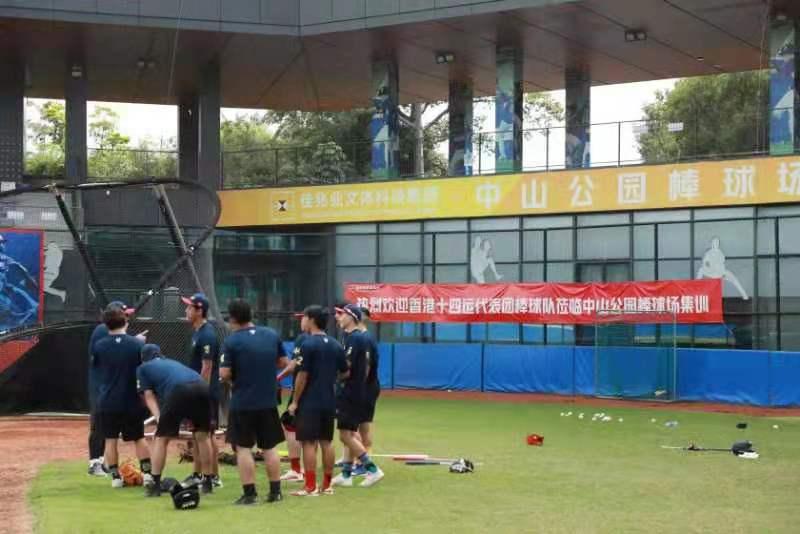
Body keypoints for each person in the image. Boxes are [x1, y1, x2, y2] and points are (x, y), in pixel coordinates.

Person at [220, 299, 289, 505]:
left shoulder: (231, 341)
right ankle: (275, 492)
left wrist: (235, 379)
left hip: (243, 402)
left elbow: (224, 373)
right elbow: (283, 362)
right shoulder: (270, 334)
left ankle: (250, 494)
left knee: (243, 448)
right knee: (269, 447)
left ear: (232, 318)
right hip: (268, 400)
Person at [137, 344, 214, 497]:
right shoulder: (172, 362)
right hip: (202, 387)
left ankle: (155, 485)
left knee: (161, 439)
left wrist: (158, 417)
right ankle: (207, 483)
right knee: (202, 437)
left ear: (143, 359)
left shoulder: (143, 368)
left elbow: (149, 396)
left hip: (179, 390)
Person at [287, 305, 348, 497]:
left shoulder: (307, 344)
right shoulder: (336, 344)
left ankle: (310, 486)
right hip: (329, 400)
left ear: (311, 319)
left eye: (304, 317)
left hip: (310, 402)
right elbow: (345, 371)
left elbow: (302, 376)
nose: (302, 321)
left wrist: (295, 401)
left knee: (308, 443)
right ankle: (327, 485)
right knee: (326, 442)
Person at [91, 302, 152, 488]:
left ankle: (116, 478)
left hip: (108, 400)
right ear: (125, 321)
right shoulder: (137, 345)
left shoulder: (99, 346)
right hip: (131, 400)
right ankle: (148, 474)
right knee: (138, 438)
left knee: (110, 439)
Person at [331, 304, 384, 488]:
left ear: (352, 317)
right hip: (354, 391)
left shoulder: (357, 339)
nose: (338, 318)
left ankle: (371, 468)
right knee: (348, 432)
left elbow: (348, 370)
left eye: (342, 314)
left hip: (352, 392)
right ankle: (346, 474)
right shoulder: (351, 337)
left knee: (347, 435)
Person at [87, 301, 138, 477]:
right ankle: (95, 463)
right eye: (125, 313)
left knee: (104, 427)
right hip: (102, 384)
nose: (128, 316)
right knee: (99, 425)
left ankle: (102, 462)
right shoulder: (103, 330)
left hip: (106, 383)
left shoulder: (110, 331)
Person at [181, 293, 222, 488]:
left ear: (199, 310)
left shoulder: (207, 334)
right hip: (199, 391)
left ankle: (212, 477)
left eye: (189, 307)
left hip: (205, 392)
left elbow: (207, 367)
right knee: (197, 435)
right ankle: (198, 474)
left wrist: (199, 392)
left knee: (205, 435)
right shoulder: (197, 332)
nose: (186, 310)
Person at [276, 313, 307, 483]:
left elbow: (294, 364)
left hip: (301, 391)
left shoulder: (303, 339)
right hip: (318, 393)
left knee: (290, 426)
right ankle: (306, 469)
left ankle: (297, 470)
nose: (300, 321)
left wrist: (278, 378)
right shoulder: (328, 341)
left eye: (302, 318)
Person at [357, 307, 380, 462]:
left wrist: (358, 386)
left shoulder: (365, 338)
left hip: (365, 388)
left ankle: (366, 461)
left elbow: (366, 366)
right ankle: (353, 458)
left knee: (363, 426)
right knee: (352, 426)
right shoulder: (356, 336)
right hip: (361, 387)